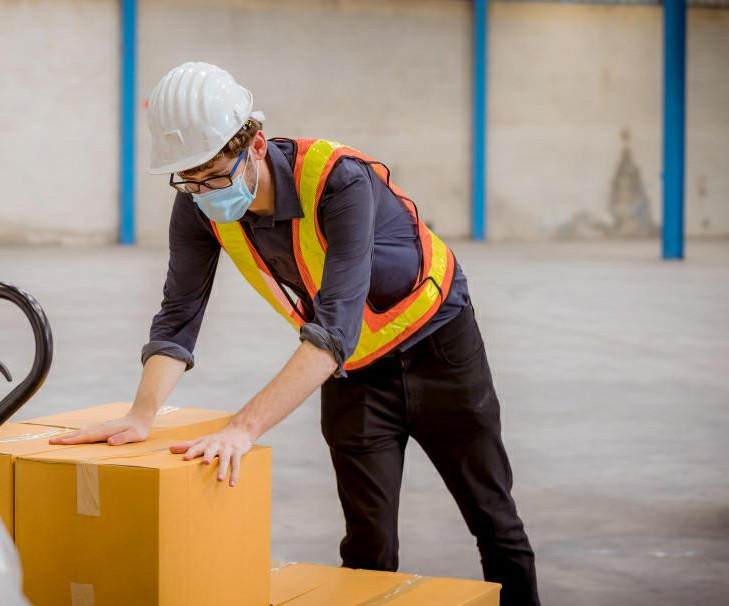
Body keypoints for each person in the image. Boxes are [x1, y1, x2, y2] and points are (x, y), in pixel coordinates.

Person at [50, 62, 540, 606]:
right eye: (186, 178)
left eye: (212, 175)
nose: (201, 191)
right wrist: (141, 415)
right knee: (366, 549)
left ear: (255, 144)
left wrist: (243, 427)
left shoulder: (339, 181)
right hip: (357, 375)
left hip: (442, 351)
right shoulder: (197, 206)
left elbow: (333, 330)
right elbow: (178, 316)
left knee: (495, 523)